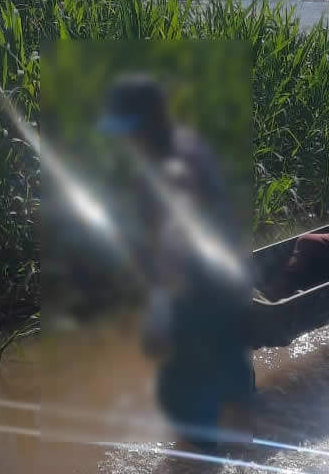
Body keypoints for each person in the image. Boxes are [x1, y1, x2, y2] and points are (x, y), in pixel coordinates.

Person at [96, 72, 254, 450]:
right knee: (231, 376)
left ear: (150, 122)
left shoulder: (172, 166)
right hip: (227, 278)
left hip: (197, 289)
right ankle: (244, 438)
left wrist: (161, 306)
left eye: (130, 128)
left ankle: (202, 453)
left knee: (182, 399)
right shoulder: (185, 143)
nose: (125, 138)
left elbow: (177, 232)